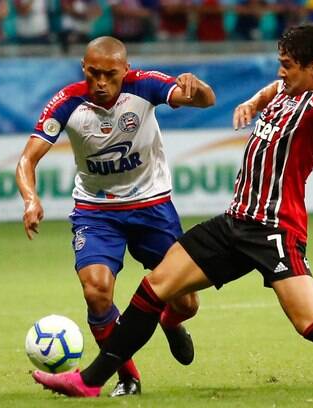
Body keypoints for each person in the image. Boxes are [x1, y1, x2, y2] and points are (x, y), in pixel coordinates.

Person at [30, 24, 313, 398]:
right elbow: (275, 88)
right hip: (235, 222)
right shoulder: (286, 93)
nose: (280, 71)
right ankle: (90, 381)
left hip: (274, 230)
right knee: (153, 289)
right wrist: (256, 100)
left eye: (288, 64)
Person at [16, 36, 216, 397]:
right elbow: (26, 159)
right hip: (96, 212)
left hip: (152, 207)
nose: (101, 83)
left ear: (125, 70)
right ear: (83, 68)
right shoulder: (67, 102)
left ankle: (170, 322)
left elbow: (205, 101)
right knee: (96, 292)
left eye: (110, 74)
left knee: (186, 302)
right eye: (93, 74)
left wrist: (196, 86)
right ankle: (128, 377)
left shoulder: (145, 86)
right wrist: (31, 199)